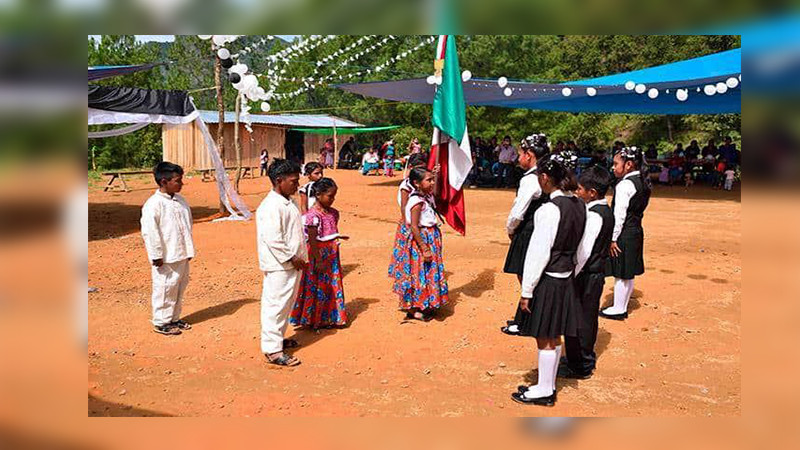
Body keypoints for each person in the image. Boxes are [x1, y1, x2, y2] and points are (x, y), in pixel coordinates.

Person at [510, 151, 585, 406]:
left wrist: (527, 290)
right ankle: (548, 385)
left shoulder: (548, 210)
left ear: (544, 177)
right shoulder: (579, 205)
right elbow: (582, 249)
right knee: (555, 335)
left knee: (544, 336)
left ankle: (544, 390)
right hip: (566, 277)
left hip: (548, 279)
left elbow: (538, 254)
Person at [560, 165, 615, 379]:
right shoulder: (603, 210)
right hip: (593, 273)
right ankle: (577, 358)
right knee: (584, 316)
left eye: (580, 189)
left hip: (587, 274)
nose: (577, 192)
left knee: (581, 318)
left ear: (592, 193)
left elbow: (584, 251)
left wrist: (571, 274)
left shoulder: (594, 216)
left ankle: (581, 364)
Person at [256, 159, 308, 367]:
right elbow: (273, 238)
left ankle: (277, 339)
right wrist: (292, 258)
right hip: (280, 265)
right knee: (275, 305)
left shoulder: (288, 202)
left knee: (285, 304)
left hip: (291, 264)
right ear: (279, 181)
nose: (297, 185)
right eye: (293, 181)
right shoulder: (270, 206)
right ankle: (272, 350)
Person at [501, 134, 550, 336]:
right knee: (533, 276)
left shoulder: (530, 179)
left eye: (520, 153)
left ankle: (528, 320)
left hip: (528, 230)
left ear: (529, 155)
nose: (518, 157)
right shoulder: (546, 174)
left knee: (527, 277)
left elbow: (518, 210)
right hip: (542, 228)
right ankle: (525, 318)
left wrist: (511, 230)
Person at [140, 162, 195, 336]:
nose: (181, 184)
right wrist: (156, 255)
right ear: (164, 181)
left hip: (181, 253)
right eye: (177, 180)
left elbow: (188, 224)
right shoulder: (154, 205)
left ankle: (174, 317)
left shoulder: (181, 201)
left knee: (179, 286)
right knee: (165, 287)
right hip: (165, 256)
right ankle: (161, 321)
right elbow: (150, 232)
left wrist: (188, 249)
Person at [391, 167, 449, 321]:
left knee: (428, 272)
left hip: (431, 238)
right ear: (416, 183)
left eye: (432, 179)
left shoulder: (426, 197)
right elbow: (414, 227)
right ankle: (414, 307)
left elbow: (436, 193)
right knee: (418, 273)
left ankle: (427, 303)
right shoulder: (416, 201)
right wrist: (424, 248)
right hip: (422, 240)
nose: (432, 182)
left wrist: (437, 175)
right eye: (428, 180)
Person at [290, 178, 349, 329]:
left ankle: (330, 317)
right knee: (316, 285)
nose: (332, 199)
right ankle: (314, 318)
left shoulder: (334, 213)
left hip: (332, 254)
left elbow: (330, 232)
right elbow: (313, 239)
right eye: (330, 196)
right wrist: (318, 260)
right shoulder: (312, 217)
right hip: (318, 255)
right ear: (318, 194)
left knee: (331, 284)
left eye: (334, 196)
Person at [601, 147, 651, 321]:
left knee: (621, 271)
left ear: (629, 164)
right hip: (636, 229)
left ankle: (619, 308)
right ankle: (621, 305)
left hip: (624, 232)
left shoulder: (624, 185)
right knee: (628, 270)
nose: (613, 168)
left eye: (616, 164)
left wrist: (613, 238)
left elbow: (619, 215)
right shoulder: (643, 181)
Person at [388, 153, 429, 293]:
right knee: (407, 254)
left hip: (416, 221)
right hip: (409, 222)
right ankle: (405, 279)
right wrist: (408, 225)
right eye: (418, 168)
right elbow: (404, 207)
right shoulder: (406, 185)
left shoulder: (424, 183)